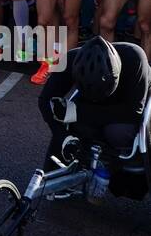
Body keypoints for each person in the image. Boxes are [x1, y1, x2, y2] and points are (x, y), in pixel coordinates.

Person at [38, 35, 151, 181]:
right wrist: (62, 136)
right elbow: (45, 100)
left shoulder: (135, 58)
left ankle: (113, 168)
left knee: (116, 133)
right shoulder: (70, 60)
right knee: (76, 124)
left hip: (132, 102)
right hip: (92, 105)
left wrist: (77, 112)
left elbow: (134, 112)